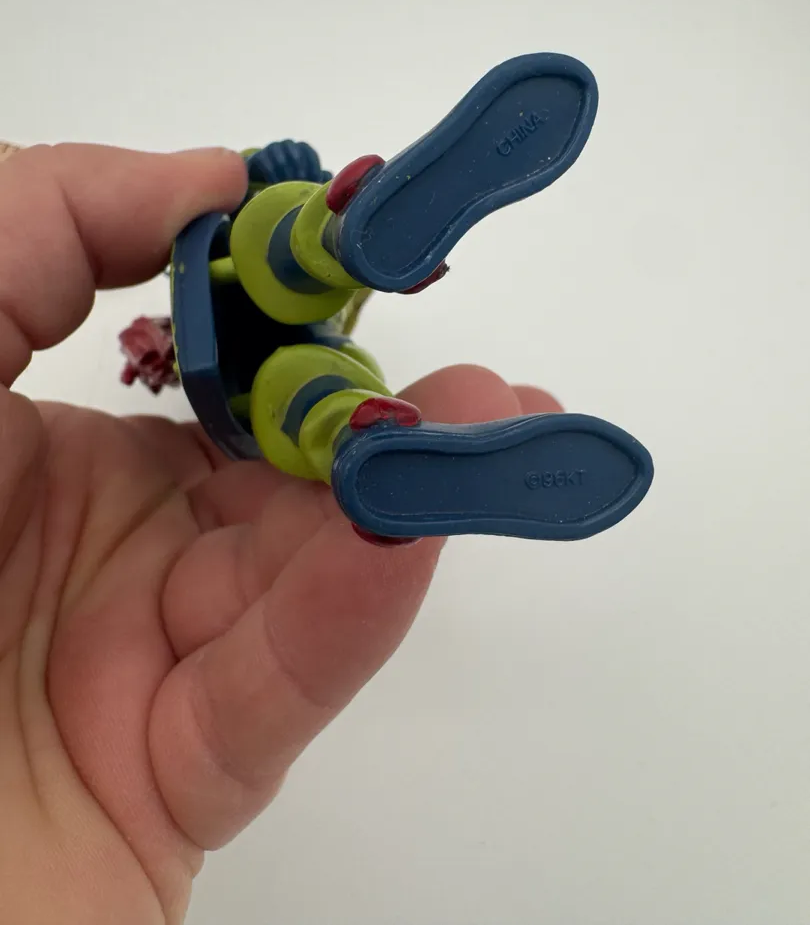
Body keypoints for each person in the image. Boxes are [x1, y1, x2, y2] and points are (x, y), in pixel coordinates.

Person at [0, 143, 560, 925]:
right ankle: (352, 389)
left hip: (257, 341)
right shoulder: (244, 223)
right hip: (278, 327)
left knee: (302, 361)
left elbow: (234, 241)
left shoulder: (234, 230)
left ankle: (350, 388)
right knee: (316, 355)